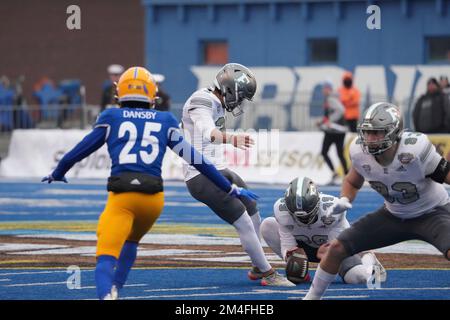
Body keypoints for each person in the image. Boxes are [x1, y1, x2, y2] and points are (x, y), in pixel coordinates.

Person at [42, 66, 259, 300]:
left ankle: (107, 293)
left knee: (106, 255)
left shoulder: (110, 117)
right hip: (153, 199)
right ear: (152, 94)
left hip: (122, 195)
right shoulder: (165, 120)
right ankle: (116, 287)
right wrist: (228, 187)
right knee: (132, 242)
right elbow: (197, 159)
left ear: (119, 92)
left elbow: (78, 151)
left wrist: (58, 171)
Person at [304, 102, 450, 300]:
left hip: (432, 212)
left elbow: (446, 174)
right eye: (367, 133)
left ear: (394, 132)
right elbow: (352, 181)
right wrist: (345, 198)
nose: (370, 139)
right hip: (393, 214)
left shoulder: (415, 150)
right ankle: (311, 298)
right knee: (337, 248)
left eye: (377, 133)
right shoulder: (359, 152)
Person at [181, 63, 294, 286]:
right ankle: (268, 273)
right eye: (240, 96)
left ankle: (256, 264)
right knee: (242, 220)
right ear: (230, 89)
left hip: (217, 169)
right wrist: (231, 139)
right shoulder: (202, 100)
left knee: (252, 209)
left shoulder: (215, 101)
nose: (240, 101)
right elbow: (208, 133)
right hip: (200, 175)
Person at [260, 176, 386, 285]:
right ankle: (303, 274)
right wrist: (292, 259)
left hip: (335, 247)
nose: (302, 220)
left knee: (358, 278)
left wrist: (323, 273)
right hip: (305, 247)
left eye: (307, 215)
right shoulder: (281, 210)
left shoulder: (332, 209)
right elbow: (287, 243)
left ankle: (367, 257)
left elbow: (336, 249)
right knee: (267, 225)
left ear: (317, 204)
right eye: (297, 216)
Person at [317, 80, 349, 185]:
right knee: (339, 153)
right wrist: (322, 121)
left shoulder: (331, 98)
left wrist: (330, 122)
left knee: (325, 152)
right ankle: (346, 174)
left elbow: (341, 110)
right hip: (338, 130)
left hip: (334, 131)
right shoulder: (332, 98)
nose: (323, 90)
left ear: (328, 89)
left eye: (324, 88)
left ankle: (339, 173)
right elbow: (331, 114)